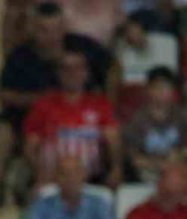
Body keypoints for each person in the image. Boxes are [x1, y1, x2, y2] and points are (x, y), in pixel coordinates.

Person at [0, 0, 110, 211]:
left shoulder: (83, 47)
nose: (49, 36)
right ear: (33, 29)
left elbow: (112, 67)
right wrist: (46, 100)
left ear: (64, 28)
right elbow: (5, 95)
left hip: (76, 117)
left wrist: (105, 97)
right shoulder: (21, 56)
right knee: (3, 125)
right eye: (42, 30)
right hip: (33, 119)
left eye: (55, 30)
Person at [23, 48, 121, 188]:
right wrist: (40, 174)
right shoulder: (43, 105)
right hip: (53, 179)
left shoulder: (100, 104)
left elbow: (113, 139)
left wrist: (116, 169)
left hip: (92, 179)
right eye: (66, 68)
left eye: (77, 68)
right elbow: (31, 145)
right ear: (58, 73)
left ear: (86, 72)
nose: (72, 73)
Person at [122, 66, 187, 182]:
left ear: (173, 91)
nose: (161, 92)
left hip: (178, 164)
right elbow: (133, 157)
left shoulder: (184, 116)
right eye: (157, 88)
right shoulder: (136, 120)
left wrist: (179, 155)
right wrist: (157, 164)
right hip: (149, 168)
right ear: (148, 90)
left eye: (166, 88)